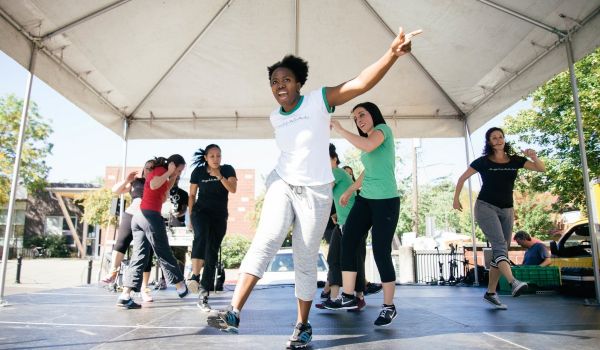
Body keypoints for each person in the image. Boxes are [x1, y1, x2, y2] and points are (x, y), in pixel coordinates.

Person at [207, 26, 421, 348]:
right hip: (283, 182)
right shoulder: (275, 117)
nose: (280, 85)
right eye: (274, 82)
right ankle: (234, 312)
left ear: (299, 83)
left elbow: (360, 83)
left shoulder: (318, 100)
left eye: (286, 80)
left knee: (305, 259)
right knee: (266, 239)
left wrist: (391, 55)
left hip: (317, 192)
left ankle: (303, 325)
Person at [325, 102, 401, 327]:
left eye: (361, 114)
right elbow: (368, 172)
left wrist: (339, 129)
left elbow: (368, 145)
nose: (358, 119)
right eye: (355, 117)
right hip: (366, 199)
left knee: (380, 251)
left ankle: (389, 306)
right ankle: (348, 295)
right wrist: (350, 189)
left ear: (373, 114)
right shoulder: (368, 144)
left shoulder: (382, 132)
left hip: (386, 201)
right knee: (348, 239)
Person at [453, 127, 545, 310]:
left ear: (504, 140)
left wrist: (534, 156)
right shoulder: (483, 162)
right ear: (489, 142)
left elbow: (541, 169)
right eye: (493, 138)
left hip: (507, 209)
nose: (498, 140)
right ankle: (513, 282)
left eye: (500, 137)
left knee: (500, 251)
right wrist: (456, 199)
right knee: (500, 246)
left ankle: (490, 292)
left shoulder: (515, 160)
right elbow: (462, 178)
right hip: (485, 207)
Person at [116, 154, 189, 309]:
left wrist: (173, 176)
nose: (180, 173)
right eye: (179, 170)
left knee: (139, 256)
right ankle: (180, 285)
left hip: (140, 217)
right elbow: (155, 185)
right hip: (149, 216)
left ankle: (125, 295)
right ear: (173, 165)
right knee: (163, 251)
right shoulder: (160, 170)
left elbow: (163, 194)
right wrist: (169, 173)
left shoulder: (163, 174)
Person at [187, 144, 237, 312]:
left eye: (218, 156)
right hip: (201, 211)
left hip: (219, 215)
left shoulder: (228, 169)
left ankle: (203, 293)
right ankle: (195, 275)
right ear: (206, 158)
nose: (216, 159)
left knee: (212, 252)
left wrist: (219, 176)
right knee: (201, 236)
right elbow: (192, 194)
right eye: (212, 156)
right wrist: (190, 216)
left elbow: (233, 189)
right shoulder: (198, 172)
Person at [317, 144, 366, 311]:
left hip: (352, 222)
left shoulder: (336, 172)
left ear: (334, 159)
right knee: (334, 260)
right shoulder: (334, 173)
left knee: (352, 259)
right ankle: (334, 298)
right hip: (342, 223)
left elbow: (324, 191)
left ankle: (358, 297)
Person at [102, 159, 155, 302]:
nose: (149, 170)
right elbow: (115, 191)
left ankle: (144, 288)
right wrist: (127, 179)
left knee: (146, 253)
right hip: (131, 214)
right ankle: (113, 272)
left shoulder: (157, 183)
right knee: (121, 243)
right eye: (147, 167)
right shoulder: (136, 182)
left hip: (146, 217)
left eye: (152, 168)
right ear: (144, 168)